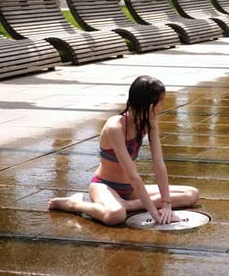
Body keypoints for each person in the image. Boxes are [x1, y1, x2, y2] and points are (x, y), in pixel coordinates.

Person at [48, 75, 199, 226]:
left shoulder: (149, 122)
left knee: (191, 194)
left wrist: (166, 204)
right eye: (161, 103)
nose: (162, 107)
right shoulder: (115, 127)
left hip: (131, 190)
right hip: (105, 186)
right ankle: (74, 204)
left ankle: (128, 205)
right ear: (150, 106)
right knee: (116, 215)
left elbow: (158, 163)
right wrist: (155, 214)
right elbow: (133, 175)